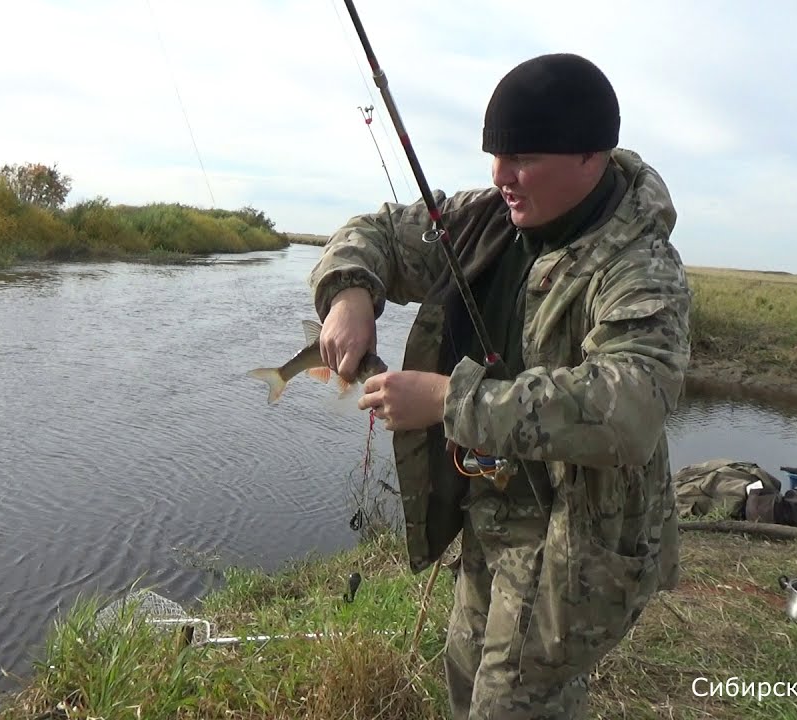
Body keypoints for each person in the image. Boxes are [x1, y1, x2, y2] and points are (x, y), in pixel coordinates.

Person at [307, 52, 691, 719]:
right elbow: (378, 234)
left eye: (523, 158)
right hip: (489, 519)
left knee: (512, 703)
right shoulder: (488, 219)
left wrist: (448, 402)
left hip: (574, 543)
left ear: (590, 158)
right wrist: (349, 293)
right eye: (495, 155)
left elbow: (629, 406)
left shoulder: (641, 265)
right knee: (465, 679)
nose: (502, 176)